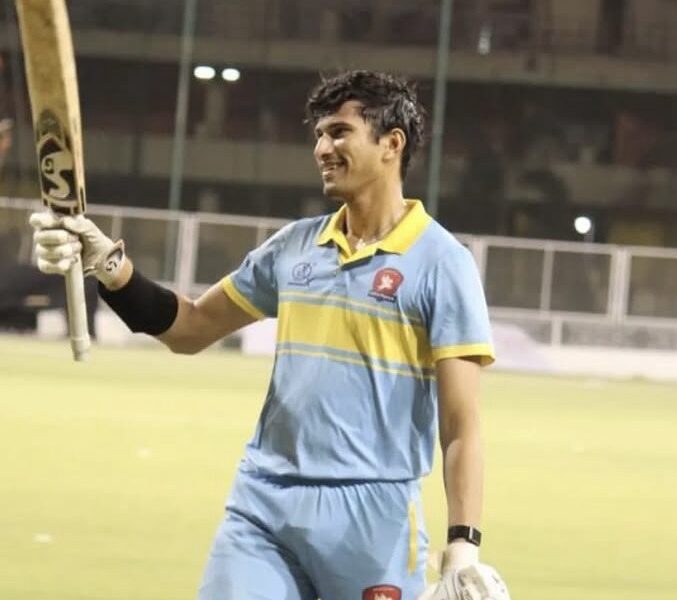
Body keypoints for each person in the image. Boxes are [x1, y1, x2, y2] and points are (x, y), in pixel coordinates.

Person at [30, 70, 510, 600]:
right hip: (263, 506)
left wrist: (464, 543)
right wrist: (108, 266)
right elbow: (191, 327)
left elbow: (460, 425)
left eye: (339, 132)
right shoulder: (294, 247)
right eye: (319, 135)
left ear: (391, 143)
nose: (322, 148)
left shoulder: (443, 263)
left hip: (374, 521)